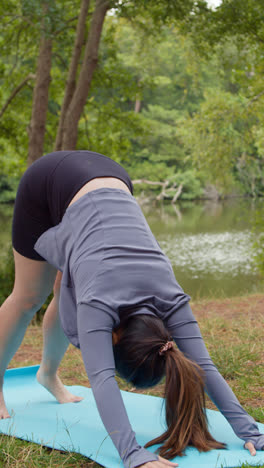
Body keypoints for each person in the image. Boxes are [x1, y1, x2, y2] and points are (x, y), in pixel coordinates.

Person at [0, 150, 263, 468]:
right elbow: (102, 379)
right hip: (47, 183)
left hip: (110, 175)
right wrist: (131, 453)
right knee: (30, 296)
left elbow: (203, 366)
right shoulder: (98, 305)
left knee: (62, 287)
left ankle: (48, 375)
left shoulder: (171, 299)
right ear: (113, 340)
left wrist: (251, 431)